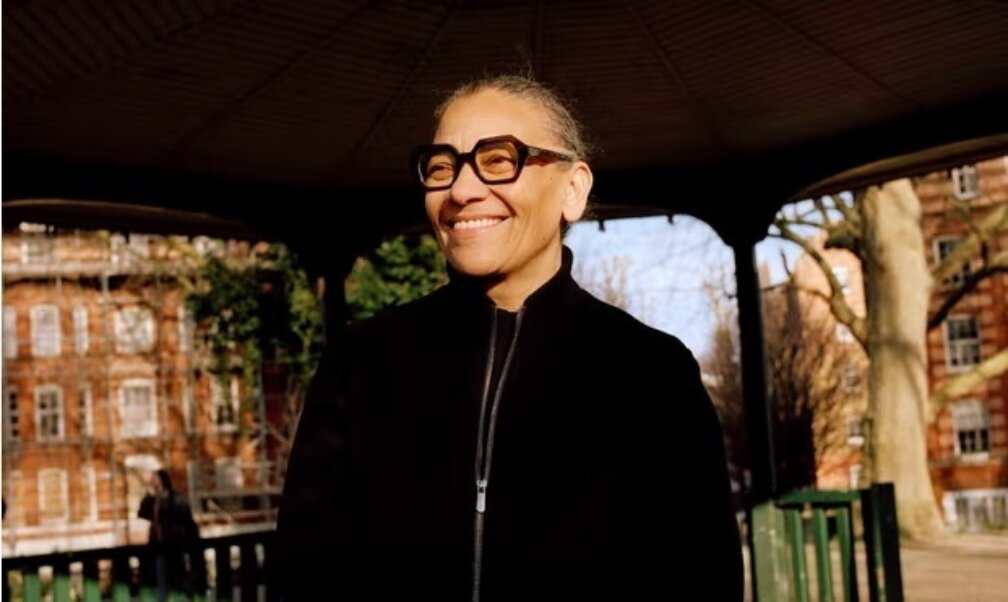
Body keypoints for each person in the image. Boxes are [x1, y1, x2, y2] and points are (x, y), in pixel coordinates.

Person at [276, 73, 742, 601]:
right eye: (442, 167)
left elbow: (702, 577)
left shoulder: (651, 371)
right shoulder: (360, 364)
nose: (461, 190)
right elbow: (304, 575)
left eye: (499, 160)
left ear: (573, 188)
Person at [138, 469, 204, 601]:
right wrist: (149, 495)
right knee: (160, 578)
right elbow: (142, 513)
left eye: (156, 479)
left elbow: (185, 519)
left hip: (174, 545)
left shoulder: (175, 498)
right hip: (157, 545)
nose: (153, 482)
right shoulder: (154, 499)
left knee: (176, 577)